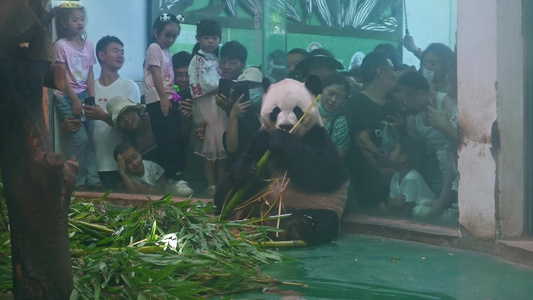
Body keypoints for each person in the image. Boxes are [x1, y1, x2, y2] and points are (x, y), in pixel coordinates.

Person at [83, 35, 140, 191]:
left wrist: (102, 116)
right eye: (115, 51)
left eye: (122, 52)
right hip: (92, 168)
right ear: (101, 55)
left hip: (119, 165)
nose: (121, 55)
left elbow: (132, 127)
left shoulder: (129, 86)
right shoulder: (90, 88)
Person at [107, 96, 194, 196]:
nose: (126, 119)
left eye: (127, 112)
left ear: (136, 110)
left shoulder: (156, 118)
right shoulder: (128, 141)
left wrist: (185, 119)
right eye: (120, 118)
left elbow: (182, 139)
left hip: (182, 173)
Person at [53, 5, 100, 190]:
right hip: (66, 96)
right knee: (80, 139)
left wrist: (91, 97)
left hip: (84, 95)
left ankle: (93, 179)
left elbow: (89, 72)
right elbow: (62, 75)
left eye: (82, 19)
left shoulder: (88, 45)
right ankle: (78, 182)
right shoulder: (61, 45)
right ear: (64, 23)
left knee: (90, 138)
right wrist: (74, 100)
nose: (80, 23)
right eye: (75, 20)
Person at [344, 51, 397, 210]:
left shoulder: (394, 102)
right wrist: (385, 171)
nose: (395, 75)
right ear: (380, 72)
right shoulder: (358, 102)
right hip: (366, 179)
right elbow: (363, 141)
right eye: (392, 70)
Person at [144, 13, 188, 183]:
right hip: (157, 100)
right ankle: (172, 178)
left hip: (167, 98)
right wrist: (163, 98)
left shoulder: (166, 52)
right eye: (167, 35)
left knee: (173, 137)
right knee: (168, 139)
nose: (171, 39)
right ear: (156, 32)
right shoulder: (154, 48)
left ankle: (175, 176)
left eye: (174, 36)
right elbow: (156, 74)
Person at [393, 71, 451, 195]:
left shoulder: (446, 104)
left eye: (405, 102)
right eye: (399, 104)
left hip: (458, 170)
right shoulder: (413, 119)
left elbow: (463, 141)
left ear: (421, 94)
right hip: (436, 174)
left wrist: (443, 126)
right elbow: (415, 153)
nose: (403, 108)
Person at [188, 19, 228, 197]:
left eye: (215, 38)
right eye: (207, 38)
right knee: (210, 149)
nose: (211, 41)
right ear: (198, 38)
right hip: (206, 105)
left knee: (222, 148)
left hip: (218, 105)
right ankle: (211, 185)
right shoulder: (197, 60)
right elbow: (201, 83)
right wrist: (222, 86)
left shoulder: (218, 59)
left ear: (220, 39)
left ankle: (222, 183)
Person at [381, 137, 436, 218]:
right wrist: (395, 203)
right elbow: (390, 202)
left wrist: (386, 211)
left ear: (403, 157)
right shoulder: (396, 176)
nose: (391, 153)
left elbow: (406, 213)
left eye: (394, 150)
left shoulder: (411, 178)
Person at [114, 142, 189, 196]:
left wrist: (148, 191)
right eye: (129, 162)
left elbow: (165, 189)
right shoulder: (127, 176)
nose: (135, 163)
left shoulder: (151, 166)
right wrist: (122, 173)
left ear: (139, 154)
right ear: (123, 166)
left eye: (135, 157)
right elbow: (133, 195)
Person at [222, 67, 263, 164]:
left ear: (262, 86)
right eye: (245, 87)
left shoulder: (272, 111)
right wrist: (233, 116)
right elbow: (231, 149)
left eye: (253, 86)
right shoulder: (243, 115)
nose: (250, 90)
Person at [317, 73, 351, 159]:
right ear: (321, 90)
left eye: (340, 97)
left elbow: (337, 158)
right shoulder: (305, 109)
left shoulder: (340, 122)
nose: (333, 100)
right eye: (331, 93)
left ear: (344, 101)